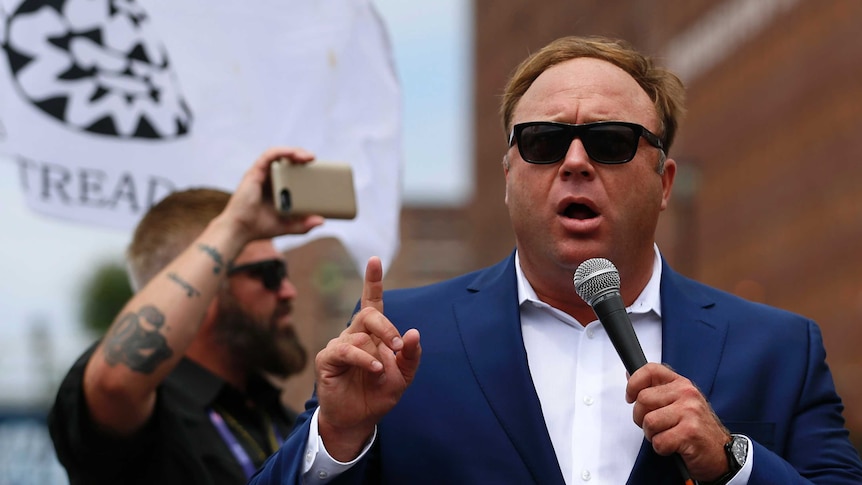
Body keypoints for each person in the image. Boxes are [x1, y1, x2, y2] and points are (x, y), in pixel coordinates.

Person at [249, 36, 862, 484]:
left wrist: (733, 463)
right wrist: (337, 440)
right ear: (509, 174)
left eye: (610, 142)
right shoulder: (400, 339)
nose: (574, 161)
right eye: (542, 142)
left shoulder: (779, 349)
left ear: (665, 180)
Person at [48, 148, 326, 485]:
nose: (288, 291)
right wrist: (234, 226)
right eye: (269, 273)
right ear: (204, 289)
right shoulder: (153, 413)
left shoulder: (281, 420)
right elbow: (114, 383)